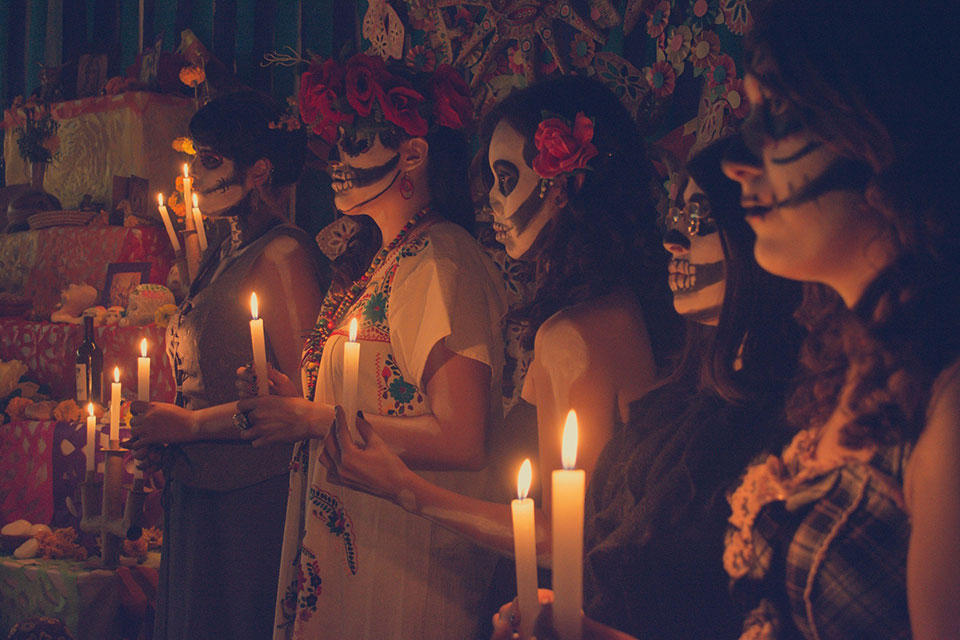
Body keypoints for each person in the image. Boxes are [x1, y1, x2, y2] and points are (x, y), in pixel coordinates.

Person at [316, 75, 677, 625]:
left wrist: (406, 490)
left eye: (506, 177)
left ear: (564, 186)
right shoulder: (614, 306)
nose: (491, 199)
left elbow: (566, 535)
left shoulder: (574, 335)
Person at [232, 56, 507, 639]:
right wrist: (295, 405)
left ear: (412, 154)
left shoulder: (440, 263)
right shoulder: (384, 259)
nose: (336, 161)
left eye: (355, 141)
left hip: (407, 559)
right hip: (362, 541)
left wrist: (313, 418)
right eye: (335, 142)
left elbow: (463, 438)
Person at [490, 137, 804, 639]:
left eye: (700, 219)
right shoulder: (671, 407)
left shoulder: (781, 427)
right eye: (675, 219)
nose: (674, 242)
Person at [719, 1, 960, 637]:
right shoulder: (862, 358)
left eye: (779, 115)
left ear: (882, 128)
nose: (737, 162)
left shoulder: (948, 403)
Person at [126, 91, 326, 640]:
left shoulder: (283, 254)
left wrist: (190, 425)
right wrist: (168, 432)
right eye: (196, 158)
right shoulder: (222, 252)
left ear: (259, 169)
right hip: (198, 488)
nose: (195, 172)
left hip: (253, 496)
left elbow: (303, 403)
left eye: (211, 160)